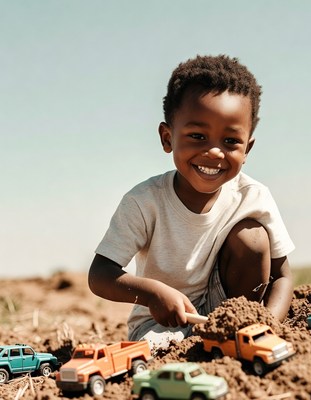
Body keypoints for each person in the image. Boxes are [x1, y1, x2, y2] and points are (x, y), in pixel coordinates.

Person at [88, 54, 295, 349]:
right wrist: (152, 293)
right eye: (197, 136)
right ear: (167, 137)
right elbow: (100, 275)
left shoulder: (253, 196)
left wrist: (268, 325)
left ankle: (235, 335)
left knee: (253, 237)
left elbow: (283, 277)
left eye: (230, 142)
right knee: (157, 352)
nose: (213, 152)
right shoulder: (144, 202)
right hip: (161, 322)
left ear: (247, 148)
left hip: (229, 314)